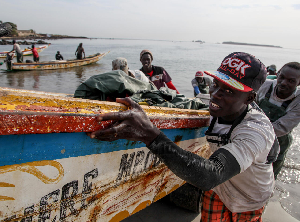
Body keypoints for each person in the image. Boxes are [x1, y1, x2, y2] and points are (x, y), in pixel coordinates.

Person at [89, 52, 276, 222]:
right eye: (216, 84)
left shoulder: (255, 131)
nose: (215, 95)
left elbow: (211, 174)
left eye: (228, 91)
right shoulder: (216, 108)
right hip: (220, 190)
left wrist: (149, 134)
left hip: (249, 199)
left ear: (249, 99)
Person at [257, 62, 300, 179]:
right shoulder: (265, 86)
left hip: (278, 141)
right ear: (277, 74)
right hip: (254, 134)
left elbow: (281, 128)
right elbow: (248, 106)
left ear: (299, 83)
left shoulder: (298, 100)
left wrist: (252, 129)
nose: (284, 83)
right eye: (282, 77)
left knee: (267, 178)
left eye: (291, 81)